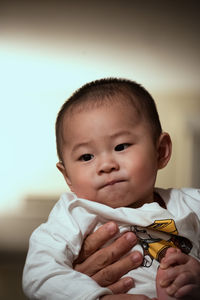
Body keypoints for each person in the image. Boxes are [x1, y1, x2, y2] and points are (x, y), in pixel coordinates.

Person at [22, 78, 200, 300]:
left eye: (121, 146)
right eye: (86, 156)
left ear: (160, 151)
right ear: (67, 176)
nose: (106, 165)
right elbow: (39, 274)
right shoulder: (73, 214)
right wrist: (95, 297)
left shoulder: (192, 203)